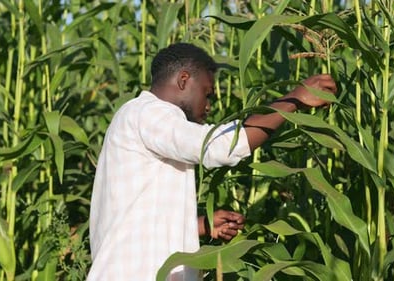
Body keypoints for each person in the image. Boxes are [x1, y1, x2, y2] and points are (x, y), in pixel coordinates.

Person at [87, 42, 337, 281]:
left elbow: (136, 219)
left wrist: (199, 226)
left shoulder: (147, 121)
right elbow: (218, 146)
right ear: (184, 80)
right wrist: (293, 99)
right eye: (207, 94)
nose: (208, 107)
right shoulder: (149, 113)